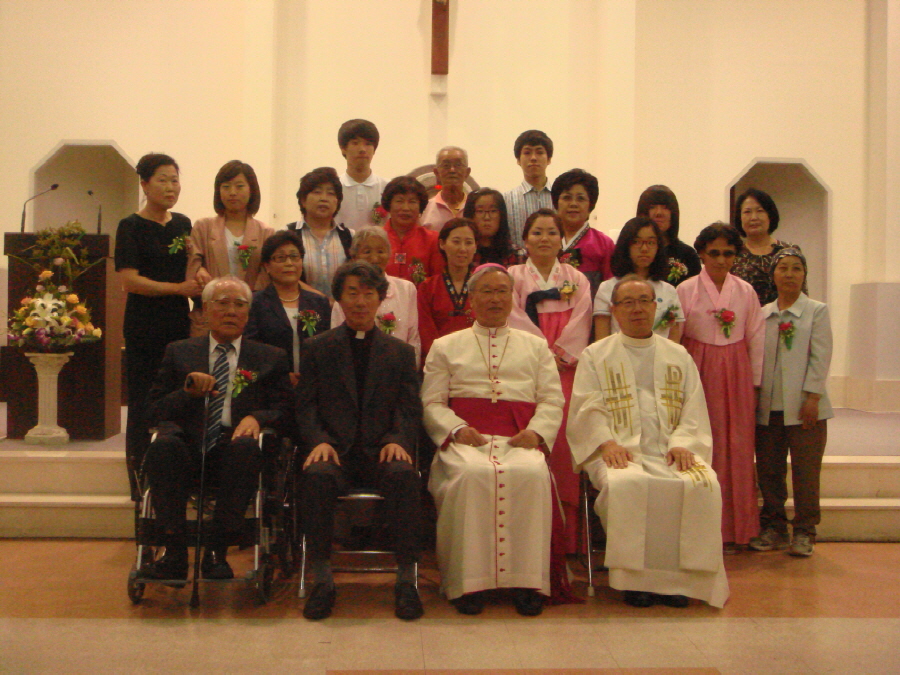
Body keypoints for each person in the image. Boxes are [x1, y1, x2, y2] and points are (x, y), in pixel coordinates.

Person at [568, 276, 729, 608]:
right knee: (626, 485)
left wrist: (683, 442)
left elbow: (693, 406)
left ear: (656, 307)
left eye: (644, 301)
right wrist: (607, 443)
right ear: (614, 310)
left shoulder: (678, 354)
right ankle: (635, 583)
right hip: (617, 450)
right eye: (628, 303)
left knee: (702, 485)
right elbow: (587, 406)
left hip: (672, 449)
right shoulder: (596, 354)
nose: (637, 309)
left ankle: (681, 582)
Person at [422, 264, 565, 616]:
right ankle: (467, 584)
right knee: (471, 475)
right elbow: (432, 402)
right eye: (486, 291)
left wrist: (537, 432)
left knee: (531, 474)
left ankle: (528, 583)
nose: (495, 299)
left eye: (502, 291)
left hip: (520, 440)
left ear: (512, 298)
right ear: (471, 299)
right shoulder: (445, 346)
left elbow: (552, 399)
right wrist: (456, 429)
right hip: (466, 441)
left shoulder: (536, 346)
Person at [141, 276, 292, 582]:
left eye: (240, 305)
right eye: (223, 304)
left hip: (235, 448)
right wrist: (186, 393)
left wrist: (258, 418)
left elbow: (288, 411)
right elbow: (153, 411)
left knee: (246, 448)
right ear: (206, 310)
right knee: (163, 446)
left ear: (248, 313)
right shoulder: (179, 352)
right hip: (187, 445)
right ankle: (174, 553)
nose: (231, 311)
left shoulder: (270, 357)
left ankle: (216, 552)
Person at [296, 261, 423, 621]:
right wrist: (318, 440)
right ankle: (322, 580)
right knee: (316, 477)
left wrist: (398, 438)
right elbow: (305, 406)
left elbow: (409, 407)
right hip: (333, 450)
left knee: (404, 476)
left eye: (369, 293)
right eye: (352, 293)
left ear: (381, 299)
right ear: (339, 298)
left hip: (382, 449)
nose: (360, 301)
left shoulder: (400, 352)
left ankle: (406, 581)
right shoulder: (317, 348)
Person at [115, 153, 202, 500]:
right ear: (145, 184)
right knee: (143, 402)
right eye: (163, 180)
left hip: (178, 323)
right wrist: (178, 289)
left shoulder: (182, 223)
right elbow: (130, 280)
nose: (170, 187)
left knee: (179, 397)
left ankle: (176, 477)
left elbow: (193, 262)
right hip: (144, 324)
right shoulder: (130, 226)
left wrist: (200, 276)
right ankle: (139, 482)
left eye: (175, 180)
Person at [507, 209, 593, 552]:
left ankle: (565, 541)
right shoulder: (513, 276)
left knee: (563, 441)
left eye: (551, 233)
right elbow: (514, 318)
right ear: (525, 240)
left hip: (567, 369)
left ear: (562, 240)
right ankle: (524, 538)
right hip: (526, 367)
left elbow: (582, 318)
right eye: (537, 232)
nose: (544, 239)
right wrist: (542, 353)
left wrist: (561, 354)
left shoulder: (577, 278)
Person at [677, 222, 764, 550]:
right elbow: (676, 339)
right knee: (702, 441)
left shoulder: (745, 291)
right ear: (701, 253)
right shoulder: (685, 290)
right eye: (714, 253)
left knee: (737, 446)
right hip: (697, 369)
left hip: (736, 372)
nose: (721, 260)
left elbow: (756, 337)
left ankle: (738, 527)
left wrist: (754, 383)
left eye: (728, 253)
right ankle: (700, 527)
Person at [751, 248, 833, 557]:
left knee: (806, 472)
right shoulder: (762, 314)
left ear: (804, 275)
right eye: (783, 268)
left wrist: (812, 396)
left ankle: (805, 531)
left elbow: (821, 355)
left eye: (796, 268)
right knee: (769, 472)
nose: (789, 274)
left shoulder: (816, 311)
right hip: (768, 409)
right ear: (773, 275)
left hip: (805, 408)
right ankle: (774, 527)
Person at [188, 160, 274, 336]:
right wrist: (199, 271)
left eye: (239, 186)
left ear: (252, 190)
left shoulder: (266, 232)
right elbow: (193, 266)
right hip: (209, 318)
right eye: (226, 187)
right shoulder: (203, 227)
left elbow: (267, 276)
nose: (232, 192)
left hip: (250, 317)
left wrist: (243, 301)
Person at [244, 230, 331, 389]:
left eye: (294, 256)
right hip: (270, 385)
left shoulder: (319, 303)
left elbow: (327, 347)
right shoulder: (255, 303)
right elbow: (251, 348)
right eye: (280, 258)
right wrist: (281, 376)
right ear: (267, 266)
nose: (289, 263)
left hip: (314, 386)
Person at [332, 226, 421, 365]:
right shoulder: (347, 292)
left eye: (380, 251)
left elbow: (413, 338)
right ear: (354, 257)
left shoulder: (406, 289)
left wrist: (408, 368)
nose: (374, 258)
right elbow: (337, 340)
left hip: (398, 367)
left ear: (389, 255)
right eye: (367, 252)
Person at [593, 217, 684, 342]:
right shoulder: (607, 288)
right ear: (626, 245)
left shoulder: (669, 291)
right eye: (636, 242)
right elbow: (602, 341)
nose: (644, 249)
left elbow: (674, 342)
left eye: (651, 242)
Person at [731, 188, 804, 306]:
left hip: (784, 316)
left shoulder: (788, 250)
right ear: (739, 218)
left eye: (760, 211)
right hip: (744, 317)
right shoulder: (733, 254)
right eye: (747, 212)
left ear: (770, 215)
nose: (754, 217)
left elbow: (801, 293)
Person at [417, 218, 477, 360]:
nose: (462, 248)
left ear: (476, 247)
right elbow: (426, 332)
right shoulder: (428, 287)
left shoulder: (483, 285)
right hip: (439, 361)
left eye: (469, 243)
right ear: (442, 244)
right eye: (456, 242)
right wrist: (442, 360)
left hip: (478, 359)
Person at [287, 167, 351, 299]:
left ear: (338, 202)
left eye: (330, 193)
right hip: (299, 308)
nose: (324, 199)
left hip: (342, 309)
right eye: (317, 192)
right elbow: (282, 276)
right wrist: (323, 300)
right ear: (303, 200)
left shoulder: (350, 237)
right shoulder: (287, 234)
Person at [551, 169, 614, 298]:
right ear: (556, 203)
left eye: (581, 198)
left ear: (591, 205)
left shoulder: (604, 244)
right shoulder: (545, 239)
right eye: (567, 197)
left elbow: (611, 290)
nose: (573, 204)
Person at [381, 175, 444, 285]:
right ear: (389, 204)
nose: (406, 208)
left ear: (420, 206)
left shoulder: (432, 240)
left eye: (412, 202)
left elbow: (437, 282)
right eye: (399, 201)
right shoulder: (376, 239)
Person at [636, 185, 701, 287]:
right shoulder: (631, 251)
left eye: (665, 208)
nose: (659, 213)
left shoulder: (688, 255)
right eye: (652, 207)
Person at [334, 119, 388, 232]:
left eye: (368, 144)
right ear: (343, 149)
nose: (362, 149)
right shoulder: (333, 189)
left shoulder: (388, 188)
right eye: (355, 143)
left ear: (374, 149)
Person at [503, 130, 554, 248]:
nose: (533, 158)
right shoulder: (506, 200)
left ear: (549, 159)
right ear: (518, 160)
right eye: (527, 153)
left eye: (539, 152)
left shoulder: (560, 198)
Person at [462, 187, 524, 267]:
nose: (487, 217)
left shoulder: (517, 255)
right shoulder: (462, 253)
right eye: (480, 211)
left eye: (493, 211)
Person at [422, 146, 471, 232]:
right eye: (446, 165)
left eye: (458, 165)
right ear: (436, 172)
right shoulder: (425, 209)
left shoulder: (474, 208)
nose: (452, 170)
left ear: (467, 172)